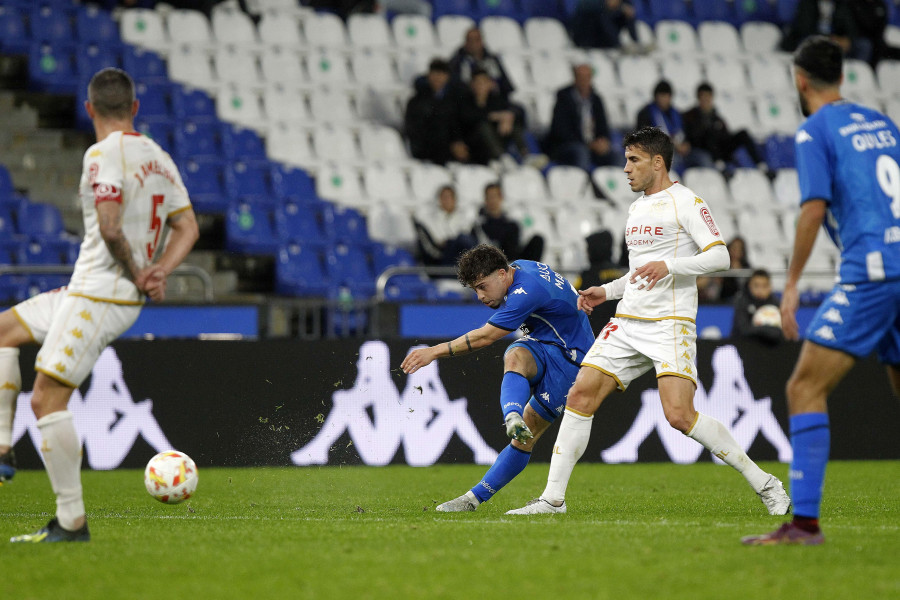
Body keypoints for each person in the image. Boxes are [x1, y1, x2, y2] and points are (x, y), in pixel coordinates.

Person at [505, 126, 791, 516]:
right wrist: (605, 292)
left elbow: (720, 257)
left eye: (633, 160)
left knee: (679, 416)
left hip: (669, 322)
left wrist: (670, 264)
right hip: (628, 321)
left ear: (658, 162)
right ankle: (553, 499)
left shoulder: (686, 202)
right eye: (626, 160)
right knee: (580, 395)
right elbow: (641, 272)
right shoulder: (636, 209)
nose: (625, 169)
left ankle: (766, 483)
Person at [0, 68, 199, 542]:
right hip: (91, 289)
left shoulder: (102, 155)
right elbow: (188, 227)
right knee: (4, 330)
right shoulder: (160, 158)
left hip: (102, 292)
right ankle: (3, 448)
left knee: (47, 397)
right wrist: (159, 271)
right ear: (134, 108)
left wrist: (136, 273)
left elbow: (110, 227)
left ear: (89, 109)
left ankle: (71, 522)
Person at [742, 36, 900, 546]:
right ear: (844, 78)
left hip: (872, 272)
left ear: (800, 79)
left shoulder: (814, 130)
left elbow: (813, 208)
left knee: (804, 388)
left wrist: (789, 287)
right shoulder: (884, 123)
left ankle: (804, 524)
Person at [400, 243, 596, 511]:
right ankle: (509, 421)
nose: (480, 296)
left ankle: (540, 499)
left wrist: (433, 352)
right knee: (514, 355)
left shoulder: (526, 292)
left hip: (571, 359)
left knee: (527, 436)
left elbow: (485, 336)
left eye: (482, 286)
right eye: (475, 289)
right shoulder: (521, 268)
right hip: (545, 342)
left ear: (503, 274)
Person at [458, 69, 538, 168]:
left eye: (483, 82)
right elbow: (468, 118)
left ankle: (526, 155)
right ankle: (502, 157)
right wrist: (493, 116)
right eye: (477, 82)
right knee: (484, 126)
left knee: (512, 122)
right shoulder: (465, 102)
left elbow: (518, 109)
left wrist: (508, 115)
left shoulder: (496, 100)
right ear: (471, 85)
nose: (480, 86)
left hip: (498, 139)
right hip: (476, 148)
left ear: (490, 84)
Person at [681, 82, 768, 174]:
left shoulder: (716, 117)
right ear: (699, 98)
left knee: (743, 133)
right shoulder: (690, 115)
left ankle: (760, 164)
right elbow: (691, 136)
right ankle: (719, 164)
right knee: (711, 132)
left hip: (721, 148)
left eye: (708, 96)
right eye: (704, 96)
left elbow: (726, 134)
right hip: (704, 149)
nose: (706, 99)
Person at [547, 64, 616, 172]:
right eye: (581, 77)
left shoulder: (596, 99)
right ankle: (581, 185)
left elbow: (603, 125)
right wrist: (588, 144)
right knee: (581, 153)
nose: (584, 81)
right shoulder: (564, 98)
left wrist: (604, 141)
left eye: (587, 77)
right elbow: (560, 131)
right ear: (575, 78)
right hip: (569, 146)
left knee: (617, 156)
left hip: (592, 146)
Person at [404, 59, 467, 166]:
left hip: (449, 147)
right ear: (429, 76)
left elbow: (456, 124)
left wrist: (457, 141)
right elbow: (414, 129)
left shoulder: (453, 100)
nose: (438, 78)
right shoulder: (416, 101)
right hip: (426, 147)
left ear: (447, 77)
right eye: (435, 74)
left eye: (441, 74)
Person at [635, 80, 698, 173]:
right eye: (661, 96)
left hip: (681, 152)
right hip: (657, 152)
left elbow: (686, 134)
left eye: (666, 96)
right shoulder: (646, 114)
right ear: (656, 96)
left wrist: (686, 144)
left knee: (700, 158)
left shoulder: (677, 114)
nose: (664, 99)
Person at [473, 183, 543, 262]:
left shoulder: (512, 223)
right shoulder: (480, 225)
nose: (492, 200)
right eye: (489, 197)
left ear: (501, 198)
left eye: (495, 196)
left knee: (537, 240)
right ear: (485, 199)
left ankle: (529, 271)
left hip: (515, 260)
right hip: (496, 262)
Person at [412, 185, 476, 266]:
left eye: (450, 197)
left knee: (464, 239)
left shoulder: (465, 219)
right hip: (443, 259)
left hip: (462, 257)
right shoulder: (429, 220)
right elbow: (434, 246)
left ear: (455, 199)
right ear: (439, 200)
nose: (447, 200)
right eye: (444, 197)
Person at [448, 27, 516, 103]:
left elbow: (506, 85)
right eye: (470, 40)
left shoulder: (493, 60)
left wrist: (493, 86)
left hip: (493, 102)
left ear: (482, 41)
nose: (473, 43)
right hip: (466, 104)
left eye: (476, 40)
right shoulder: (456, 62)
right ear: (465, 42)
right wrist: (475, 88)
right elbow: (452, 87)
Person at [731, 269, 784, 345]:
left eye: (764, 286)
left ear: (770, 287)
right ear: (750, 286)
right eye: (756, 285)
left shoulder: (776, 304)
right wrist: (767, 328)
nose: (760, 290)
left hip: (770, 347)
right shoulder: (741, 301)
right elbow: (744, 330)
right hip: (743, 346)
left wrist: (758, 328)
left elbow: (779, 332)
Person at [569, 0, 640, 51]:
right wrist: (605, 3)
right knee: (602, 14)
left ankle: (636, 43)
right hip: (586, 36)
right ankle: (617, 45)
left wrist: (622, 7)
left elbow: (627, 8)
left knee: (628, 11)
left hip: (604, 38)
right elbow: (582, 5)